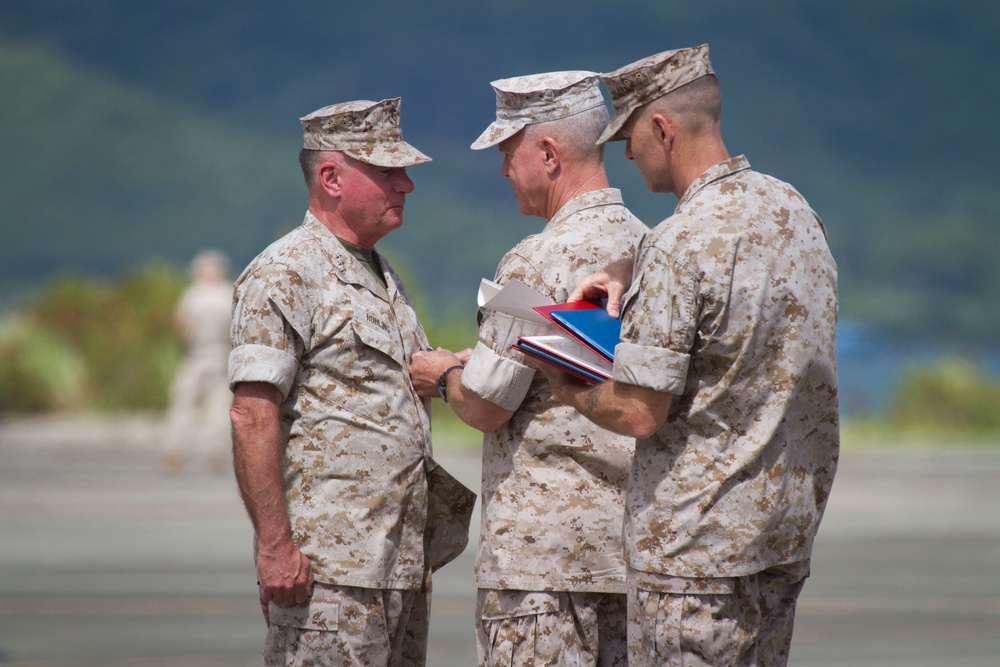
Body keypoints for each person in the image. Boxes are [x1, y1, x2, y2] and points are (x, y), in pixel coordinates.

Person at [531, 45, 840, 667]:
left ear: (662, 128)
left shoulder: (679, 243)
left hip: (694, 556)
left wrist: (554, 368)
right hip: (780, 539)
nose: (625, 152)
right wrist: (631, 267)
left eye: (630, 136)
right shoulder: (793, 210)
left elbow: (639, 413)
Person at [409, 71, 647, 666]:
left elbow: (487, 403)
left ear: (547, 153)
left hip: (545, 565)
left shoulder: (538, 256)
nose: (502, 170)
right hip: (633, 556)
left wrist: (443, 375)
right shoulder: (650, 245)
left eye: (508, 153)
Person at [228, 98, 473, 666]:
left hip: (398, 562)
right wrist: (274, 547)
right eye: (388, 172)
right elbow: (251, 413)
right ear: (332, 178)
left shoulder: (379, 271)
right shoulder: (285, 272)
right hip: (329, 571)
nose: (407, 184)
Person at [161, 249, 233, 474]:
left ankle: (176, 449)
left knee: (184, 402)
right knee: (218, 405)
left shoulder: (193, 294)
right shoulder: (228, 293)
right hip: (221, 354)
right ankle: (215, 451)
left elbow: (182, 324)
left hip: (196, 354)